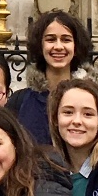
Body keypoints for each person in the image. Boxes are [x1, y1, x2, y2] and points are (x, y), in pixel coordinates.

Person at [9, 10, 88, 147]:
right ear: (40, 46)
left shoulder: (93, 99)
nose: (58, 46)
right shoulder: (20, 101)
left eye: (66, 39)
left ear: (76, 47)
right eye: (51, 39)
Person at [47, 76, 98, 196]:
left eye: (88, 114)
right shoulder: (44, 176)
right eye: (68, 112)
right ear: (55, 119)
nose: (77, 121)